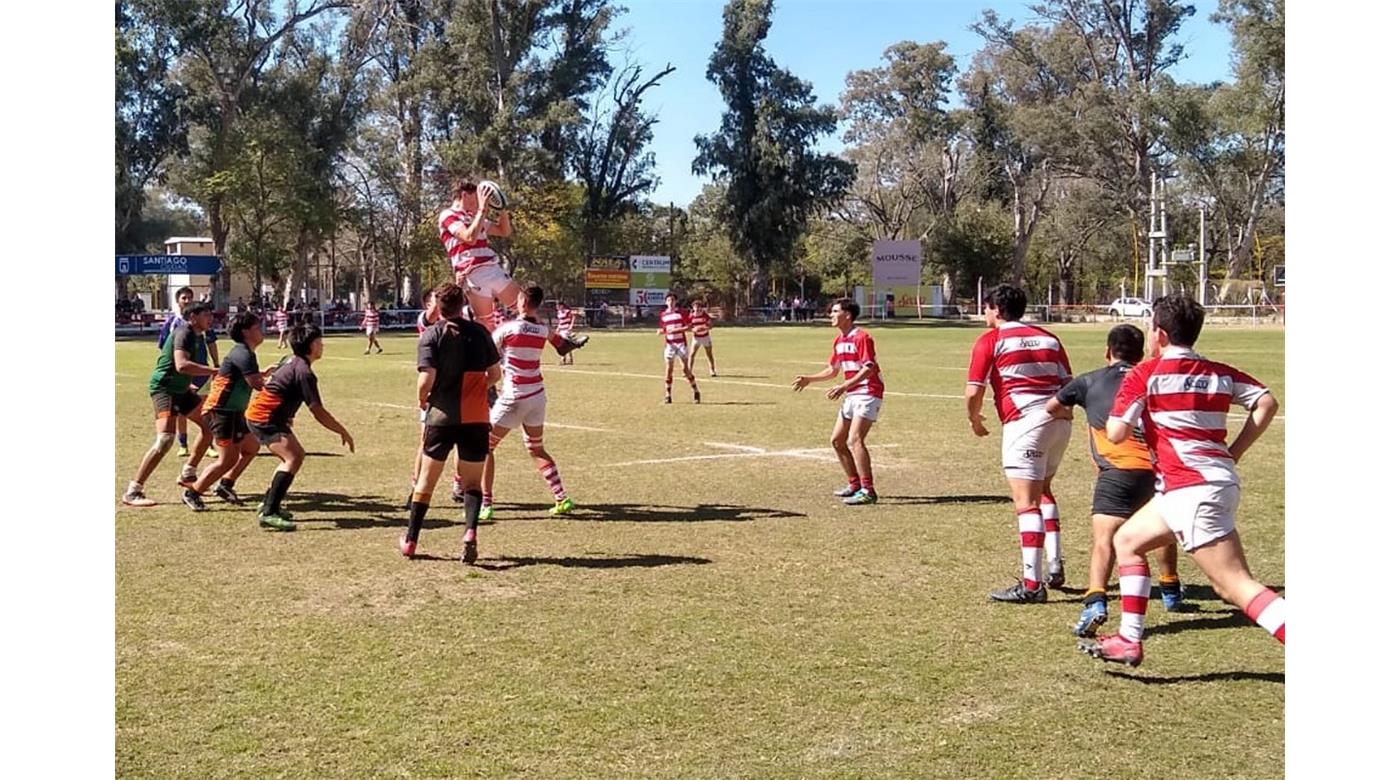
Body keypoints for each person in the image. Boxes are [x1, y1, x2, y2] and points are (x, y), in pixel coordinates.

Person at [1080, 295, 1284, 667]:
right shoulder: (1220, 371)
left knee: (1235, 586)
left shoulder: (1145, 374)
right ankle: (1129, 639)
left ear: (1157, 333)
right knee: (1126, 540)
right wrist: (1234, 451)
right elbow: (1266, 402)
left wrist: (1122, 414)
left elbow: (1117, 433)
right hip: (1197, 485)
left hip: (1192, 490)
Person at [1044, 324, 1185, 636]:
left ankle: (1096, 599)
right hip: (1155, 468)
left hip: (1116, 472)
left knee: (1104, 540)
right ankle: (1171, 589)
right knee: (1161, 530)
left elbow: (1051, 407)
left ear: (1107, 351)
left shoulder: (1088, 381)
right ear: (1140, 352)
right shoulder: (1152, 376)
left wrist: (1071, 412)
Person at [966, 284, 1073, 604]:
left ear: (997, 310)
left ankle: (1031, 584)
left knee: (1026, 502)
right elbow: (1069, 385)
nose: (984, 313)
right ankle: (1054, 562)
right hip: (1061, 422)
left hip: (1025, 423)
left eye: (985, 308)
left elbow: (974, 391)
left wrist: (974, 419)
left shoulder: (991, 340)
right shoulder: (1049, 338)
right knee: (1044, 492)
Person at [401, 283, 501, 563]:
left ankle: (410, 540)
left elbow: (426, 379)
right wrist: (477, 387)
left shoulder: (432, 334)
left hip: (442, 416)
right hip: (475, 417)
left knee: (426, 482)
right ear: (462, 304)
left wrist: (423, 399)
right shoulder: (480, 333)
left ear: (439, 306)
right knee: (471, 483)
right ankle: (470, 532)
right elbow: (495, 373)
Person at [479, 285, 587, 521]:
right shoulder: (543, 329)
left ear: (524, 303)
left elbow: (486, 353)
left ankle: (485, 504)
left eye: (518, 298)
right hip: (537, 397)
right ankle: (561, 497)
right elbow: (562, 346)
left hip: (514, 397)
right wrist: (574, 343)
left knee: (484, 447)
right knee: (536, 448)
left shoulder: (508, 329)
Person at [244, 324, 355, 531]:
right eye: (320, 341)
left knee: (295, 455)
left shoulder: (290, 359)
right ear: (312, 345)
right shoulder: (304, 373)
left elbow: (278, 384)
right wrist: (342, 430)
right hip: (264, 417)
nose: (322, 345)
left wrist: (286, 414)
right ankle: (269, 512)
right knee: (293, 457)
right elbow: (318, 411)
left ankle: (269, 504)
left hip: (266, 415)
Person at [122, 303, 219, 507]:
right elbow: (181, 364)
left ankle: (188, 475)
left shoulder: (196, 335)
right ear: (193, 317)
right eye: (206, 315)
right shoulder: (184, 332)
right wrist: (213, 371)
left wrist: (187, 383)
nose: (210, 318)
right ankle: (133, 490)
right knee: (165, 439)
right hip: (165, 388)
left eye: (211, 314)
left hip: (181, 389)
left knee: (209, 427)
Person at [791, 298, 884, 505]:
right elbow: (832, 370)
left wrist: (844, 386)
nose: (830, 315)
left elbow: (869, 368)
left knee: (855, 440)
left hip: (868, 391)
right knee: (837, 441)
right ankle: (855, 484)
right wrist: (809, 379)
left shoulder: (862, 337)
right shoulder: (839, 341)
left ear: (847, 315)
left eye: (834, 312)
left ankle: (868, 490)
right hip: (852, 392)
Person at [183, 312, 276, 510]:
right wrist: (278, 383)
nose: (261, 331)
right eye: (257, 327)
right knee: (228, 459)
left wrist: (263, 374)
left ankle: (225, 485)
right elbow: (256, 384)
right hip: (220, 411)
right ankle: (192, 492)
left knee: (251, 448)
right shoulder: (242, 353)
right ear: (246, 332)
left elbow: (244, 377)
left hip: (233, 412)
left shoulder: (246, 353)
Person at [437, 177, 517, 331]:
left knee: (525, 306)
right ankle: (492, 355)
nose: (479, 203)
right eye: (476, 199)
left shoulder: (474, 217)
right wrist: (481, 211)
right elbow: (469, 238)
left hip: (492, 267)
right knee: (486, 324)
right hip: (472, 273)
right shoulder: (448, 215)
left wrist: (502, 210)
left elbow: (504, 231)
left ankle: (560, 342)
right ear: (464, 195)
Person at [158, 286, 220, 458]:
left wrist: (214, 364)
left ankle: (207, 447)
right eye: (184, 298)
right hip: (177, 378)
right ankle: (183, 443)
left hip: (201, 373)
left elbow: (211, 342)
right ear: (177, 300)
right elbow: (166, 351)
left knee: (206, 412)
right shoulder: (176, 325)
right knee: (171, 428)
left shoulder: (202, 325)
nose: (187, 301)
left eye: (189, 298)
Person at [657, 292, 700, 404]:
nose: (671, 302)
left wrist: (676, 330)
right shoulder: (663, 315)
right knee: (668, 370)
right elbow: (664, 328)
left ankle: (695, 390)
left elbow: (689, 327)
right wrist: (661, 331)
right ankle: (668, 395)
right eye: (669, 300)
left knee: (685, 370)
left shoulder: (681, 313)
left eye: (672, 300)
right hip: (670, 344)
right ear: (666, 302)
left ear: (675, 302)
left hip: (681, 344)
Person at [688, 298, 717, 377]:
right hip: (696, 338)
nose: (697, 309)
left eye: (699, 307)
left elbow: (710, 325)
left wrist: (703, 328)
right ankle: (689, 370)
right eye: (695, 307)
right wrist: (693, 329)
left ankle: (712, 370)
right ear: (693, 308)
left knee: (709, 354)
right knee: (692, 354)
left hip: (705, 337)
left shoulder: (705, 315)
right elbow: (688, 327)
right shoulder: (691, 317)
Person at [555, 299, 577, 365]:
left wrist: (571, 326)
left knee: (563, 344)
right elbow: (560, 321)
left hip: (566, 329)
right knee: (566, 345)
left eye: (558, 305)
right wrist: (558, 328)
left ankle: (563, 359)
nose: (556, 306)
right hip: (561, 330)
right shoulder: (558, 312)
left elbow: (573, 316)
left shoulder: (567, 311)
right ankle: (570, 359)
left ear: (561, 306)